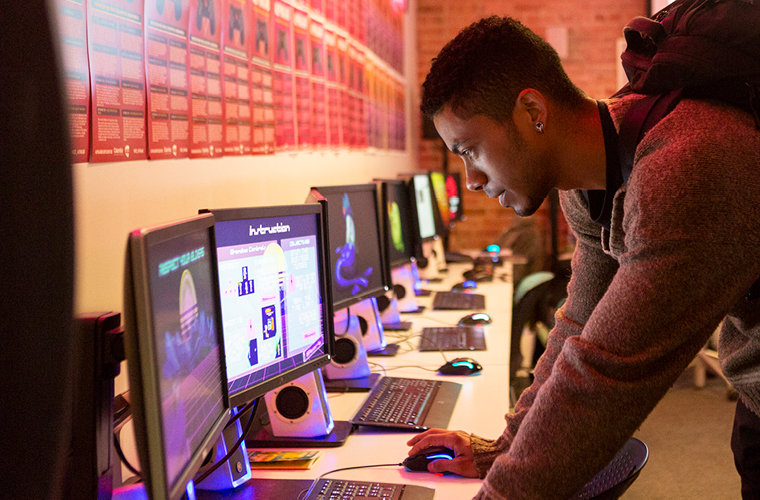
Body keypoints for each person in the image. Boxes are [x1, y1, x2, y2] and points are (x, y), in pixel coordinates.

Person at [407, 15, 760, 499]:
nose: (469, 179)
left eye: (469, 150)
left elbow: (609, 372)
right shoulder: (587, 183)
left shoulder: (684, 166)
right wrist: (504, 449)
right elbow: (580, 324)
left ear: (532, 109)